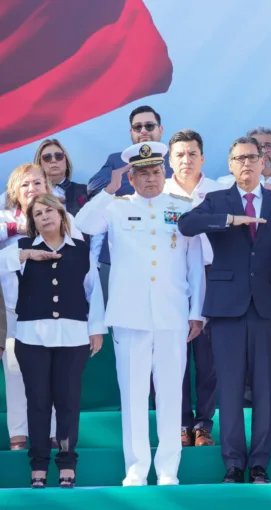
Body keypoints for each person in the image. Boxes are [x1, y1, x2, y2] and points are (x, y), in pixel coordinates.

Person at [75, 141, 205, 486]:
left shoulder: (183, 207)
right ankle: (136, 467)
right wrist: (108, 191)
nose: (151, 179)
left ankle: (167, 469)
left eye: (156, 171)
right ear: (131, 177)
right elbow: (83, 225)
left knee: (170, 392)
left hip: (172, 313)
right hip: (130, 314)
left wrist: (197, 311)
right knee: (132, 393)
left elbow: (195, 265)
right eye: (143, 173)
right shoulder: (116, 207)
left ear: (166, 173)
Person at [177, 136, 271, 485]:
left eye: (251, 157)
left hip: (267, 308)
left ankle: (260, 463)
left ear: (264, 162)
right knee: (228, 390)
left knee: (265, 388)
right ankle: (233, 463)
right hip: (227, 309)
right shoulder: (216, 201)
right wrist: (229, 220)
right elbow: (186, 225)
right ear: (229, 165)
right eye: (238, 158)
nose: (245, 163)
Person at [0, 194, 106, 488]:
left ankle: (67, 463)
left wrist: (95, 329)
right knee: (38, 402)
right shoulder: (21, 249)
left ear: (61, 216)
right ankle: (38, 465)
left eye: (49, 211)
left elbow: (93, 291)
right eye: (38, 214)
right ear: (31, 222)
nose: (45, 216)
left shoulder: (81, 250)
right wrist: (25, 255)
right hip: (31, 337)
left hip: (73, 336)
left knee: (68, 402)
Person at [0, 163, 83, 451]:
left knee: (54, 376)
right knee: (16, 373)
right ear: (14, 192)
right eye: (25, 185)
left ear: (47, 187)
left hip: (55, 314)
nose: (32, 189)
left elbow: (81, 259)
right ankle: (19, 435)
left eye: (37, 183)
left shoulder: (63, 217)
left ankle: (51, 434)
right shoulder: (4, 220)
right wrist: (17, 230)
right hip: (12, 311)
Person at [163, 129, 223, 448]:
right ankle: (182, 424)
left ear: (202, 157)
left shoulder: (219, 192)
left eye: (192, 154)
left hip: (215, 276)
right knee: (176, 356)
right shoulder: (160, 195)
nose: (186, 160)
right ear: (170, 160)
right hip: (172, 279)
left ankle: (204, 424)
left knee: (208, 357)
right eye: (180, 154)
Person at [86, 105, 173, 305]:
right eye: (138, 127)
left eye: (149, 126)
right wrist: (134, 179)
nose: (143, 131)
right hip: (119, 257)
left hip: (167, 256)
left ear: (160, 130)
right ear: (131, 132)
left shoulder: (175, 158)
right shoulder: (117, 159)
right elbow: (93, 187)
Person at [32, 139, 88, 215]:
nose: (53, 160)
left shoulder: (85, 191)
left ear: (66, 161)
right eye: (47, 157)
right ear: (39, 163)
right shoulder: (31, 193)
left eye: (59, 156)